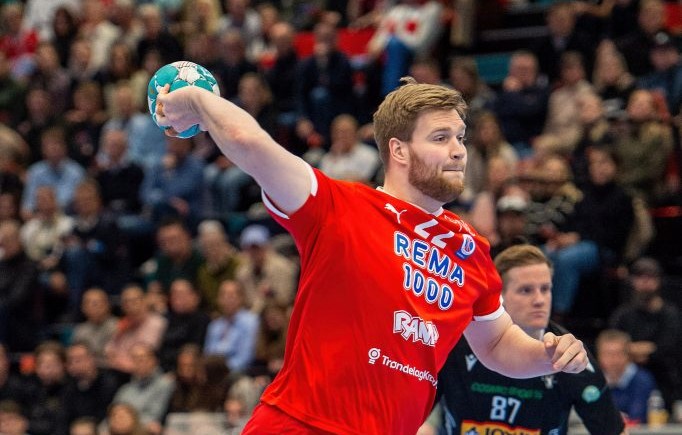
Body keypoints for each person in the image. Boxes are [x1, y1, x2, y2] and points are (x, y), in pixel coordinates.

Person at [155, 75, 588, 434]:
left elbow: (495, 343)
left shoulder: (470, 248)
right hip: (302, 425)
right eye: (441, 138)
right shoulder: (338, 206)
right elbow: (248, 143)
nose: (458, 149)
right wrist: (198, 101)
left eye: (460, 137)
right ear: (398, 150)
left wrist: (545, 355)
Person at [421, 244, 625, 435]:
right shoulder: (456, 341)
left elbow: (614, 431)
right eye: (526, 290)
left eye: (545, 289)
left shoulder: (568, 354)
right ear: (498, 296)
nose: (539, 300)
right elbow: (412, 413)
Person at [596, 328, 657, 425]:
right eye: (608, 354)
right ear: (599, 356)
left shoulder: (642, 380)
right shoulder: (593, 380)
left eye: (618, 353)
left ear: (628, 356)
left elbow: (637, 417)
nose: (613, 360)